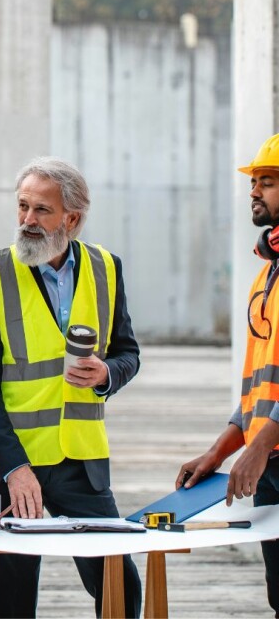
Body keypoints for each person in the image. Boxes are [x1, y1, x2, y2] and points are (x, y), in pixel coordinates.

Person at [0, 156, 142, 618]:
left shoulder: (107, 268)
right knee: (14, 600)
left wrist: (107, 375)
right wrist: (13, 469)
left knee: (121, 588)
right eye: (22, 206)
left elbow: (128, 353)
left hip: (82, 463)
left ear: (72, 219)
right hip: (13, 466)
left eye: (41, 210)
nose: (27, 220)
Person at [177, 132, 279, 618]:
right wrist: (220, 451)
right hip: (270, 462)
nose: (255, 191)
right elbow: (259, 386)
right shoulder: (266, 276)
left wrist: (257, 450)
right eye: (255, 182)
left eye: (269, 181)